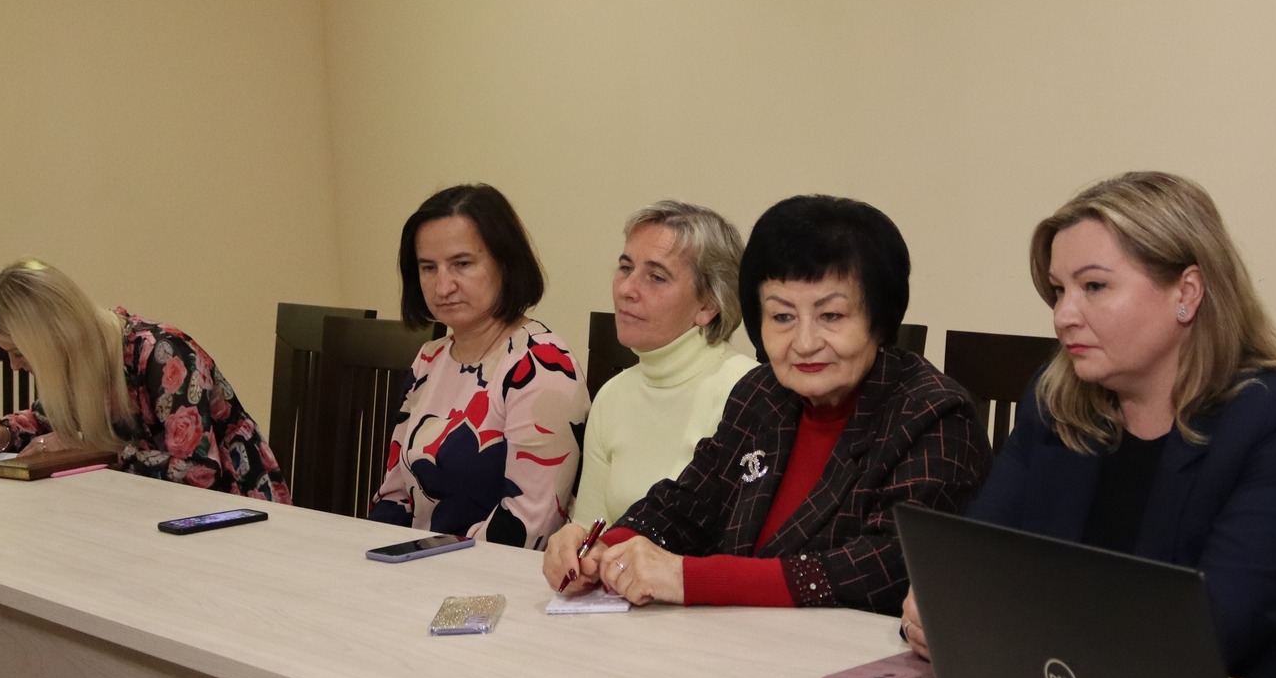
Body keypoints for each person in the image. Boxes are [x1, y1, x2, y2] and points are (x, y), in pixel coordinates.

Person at [903, 172, 1276, 678]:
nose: (1064, 315)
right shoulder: (1054, 403)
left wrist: (996, 619)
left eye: (1094, 286)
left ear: (1187, 292)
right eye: (1059, 290)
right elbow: (974, 565)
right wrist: (936, 607)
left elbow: (1209, 626)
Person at [545, 194, 988, 611]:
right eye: (782, 316)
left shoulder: (933, 415)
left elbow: (886, 566)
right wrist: (605, 547)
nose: (805, 342)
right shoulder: (762, 394)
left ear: (879, 318)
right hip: (738, 646)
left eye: (831, 315)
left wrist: (691, 578)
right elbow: (687, 504)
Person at [0, 258, 286, 502]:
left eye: (18, 352)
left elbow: (199, 474)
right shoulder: (81, 357)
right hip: (148, 511)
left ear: (51, 339)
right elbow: (43, 418)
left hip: (236, 514)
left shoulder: (165, 355)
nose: (14, 366)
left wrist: (97, 451)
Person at [370, 184, 589, 547]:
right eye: (428, 268)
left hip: (492, 573)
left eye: (462, 264)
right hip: (415, 564)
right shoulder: (430, 358)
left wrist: (416, 562)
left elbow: (529, 527)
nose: (443, 286)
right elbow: (394, 494)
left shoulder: (542, 366)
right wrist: (372, 554)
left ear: (505, 263)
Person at [572, 201, 756, 527]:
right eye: (626, 268)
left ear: (709, 305)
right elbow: (590, 531)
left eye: (656, 277)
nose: (626, 289)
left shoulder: (749, 394)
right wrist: (572, 543)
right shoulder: (612, 395)